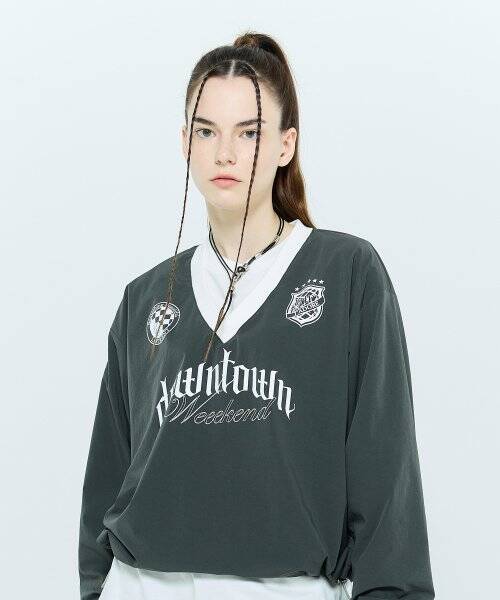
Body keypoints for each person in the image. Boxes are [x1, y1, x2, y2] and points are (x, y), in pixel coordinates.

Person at [78, 32, 435, 600]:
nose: (226, 153)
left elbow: (385, 478)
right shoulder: (144, 299)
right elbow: (106, 480)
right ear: (185, 143)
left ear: (285, 145)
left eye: (250, 132)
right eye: (206, 131)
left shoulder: (346, 273)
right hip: (142, 586)